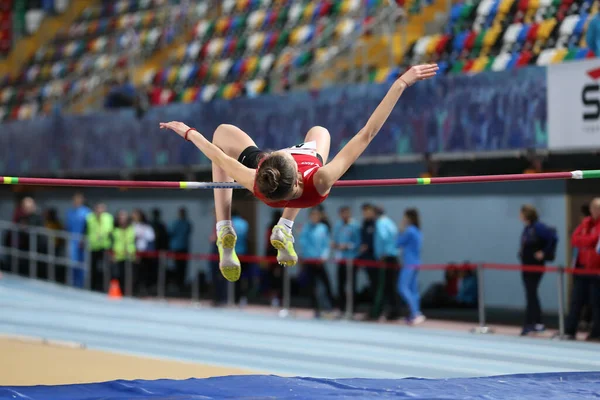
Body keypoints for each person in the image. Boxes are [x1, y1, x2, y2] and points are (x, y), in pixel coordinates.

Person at [159, 64, 438, 283]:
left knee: (221, 135)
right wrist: (401, 83)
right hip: (299, 189)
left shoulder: (257, 180)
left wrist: (187, 132)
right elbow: (367, 134)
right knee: (320, 132)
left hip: (265, 175)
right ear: (295, 170)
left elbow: (216, 154)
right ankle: (285, 227)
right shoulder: (320, 178)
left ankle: (224, 229)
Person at [518, 204, 557, 336]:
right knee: (531, 293)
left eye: (521, 213)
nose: (519, 216)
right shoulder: (528, 228)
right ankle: (536, 322)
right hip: (526, 265)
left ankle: (532, 323)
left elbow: (553, 238)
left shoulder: (538, 227)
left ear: (526, 214)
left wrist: (544, 253)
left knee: (531, 293)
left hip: (535, 266)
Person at [564, 198, 600, 341]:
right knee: (576, 301)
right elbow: (574, 239)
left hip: (596, 271)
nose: (596, 211)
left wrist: (585, 241)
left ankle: (596, 333)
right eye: (594, 208)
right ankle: (569, 331)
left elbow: (594, 240)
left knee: (596, 304)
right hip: (581, 269)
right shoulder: (585, 223)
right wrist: (588, 241)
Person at [299, 208, 334, 317]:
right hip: (310, 261)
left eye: (316, 215)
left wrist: (323, 256)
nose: (314, 218)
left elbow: (326, 244)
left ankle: (329, 308)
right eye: (312, 215)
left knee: (326, 284)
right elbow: (303, 243)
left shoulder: (323, 228)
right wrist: (307, 256)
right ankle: (316, 309)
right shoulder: (306, 228)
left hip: (320, 261)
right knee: (312, 287)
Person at [368, 206, 401, 321]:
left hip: (385, 257)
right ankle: (394, 311)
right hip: (393, 256)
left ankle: (380, 311)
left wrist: (382, 253)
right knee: (392, 286)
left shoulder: (380, 223)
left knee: (383, 286)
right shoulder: (390, 222)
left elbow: (383, 237)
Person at [397, 208, 425, 325]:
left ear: (408, 217)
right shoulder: (417, 230)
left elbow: (397, 243)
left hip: (409, 263)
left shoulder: (409, 231)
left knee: (402, 287)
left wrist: (400, 230)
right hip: (416, 262)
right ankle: (416, 313)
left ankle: (415, 313)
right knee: (413, 290)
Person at [332, 206, 360, 315]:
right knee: (340, 284)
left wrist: (348, 246)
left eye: (346, 213)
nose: (345, 216)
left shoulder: (355, 226)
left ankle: (352, 309)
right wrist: (335, 245)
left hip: (351, 259)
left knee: (352, 285)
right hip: (341, 259)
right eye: (342, 213)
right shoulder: (338, 225)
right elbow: (335, 239)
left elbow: (358, 243)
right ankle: (341, 308)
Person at [86, 203, 114, 292]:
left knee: (106, 268)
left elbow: (110, 232)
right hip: (93, 247)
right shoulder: (89, 218)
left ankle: (104, 287)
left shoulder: (108, 218)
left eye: (102, 209)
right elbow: (86, 230)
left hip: (105, 247)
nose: (100, 211)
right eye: (98, 208)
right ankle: (92, 287)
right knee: (93, 268)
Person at [66, 192, 91, 288]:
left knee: (83, 263)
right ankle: (72, 283)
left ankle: (82, 284)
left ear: (82, 200)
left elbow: (88, 228)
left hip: (83, 240)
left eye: (78, 199)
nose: (76, 201)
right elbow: (68, 227)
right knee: (73, 262)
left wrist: (84, 239)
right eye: (75, 199)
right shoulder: (70, 212)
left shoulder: (87, 212)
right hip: (72, 240)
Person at [131, 209, 155, 295]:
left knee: (144, 272)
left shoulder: (146, 227)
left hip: (143, 252)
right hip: (132, 252)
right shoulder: (130, 226)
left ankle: (143, 288)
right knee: (133, 272)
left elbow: (151, 239)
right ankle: (133, 288)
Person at [111, 210, 136, 294]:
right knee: (119, 275)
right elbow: (112, 243)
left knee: (130, 276)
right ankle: (120, 292)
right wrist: (113, 254)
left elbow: (134, 242)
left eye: (123, 217)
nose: (122, 219)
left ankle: (130, 293)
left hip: (130, 256)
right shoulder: (115, 230)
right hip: (118, 256)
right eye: (120, 217)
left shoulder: (131, 229)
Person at [169, 207, 193, 294]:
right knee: (181, 268)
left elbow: (170, 233)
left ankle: (179, 284)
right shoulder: (186, 223)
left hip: (178, 248)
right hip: (182, 247)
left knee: (179, 268)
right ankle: (180, 284)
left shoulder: (176, 223)